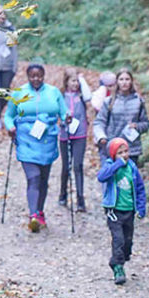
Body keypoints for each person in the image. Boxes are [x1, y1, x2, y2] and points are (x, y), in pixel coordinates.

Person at [2, 62, 66, 233]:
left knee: (44, 179)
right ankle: (33, 216)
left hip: (48, 139)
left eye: (39, 76)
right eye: (32, 76)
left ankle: (40, 211)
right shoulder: (19, 93)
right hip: (26, 138)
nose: (36, 79)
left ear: (43, 75)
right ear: (27, 76)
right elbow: (8, 115)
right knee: (34, 177)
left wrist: (68, 120)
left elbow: (64, 112)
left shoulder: (54, 92)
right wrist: (10, 127)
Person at [97, 138, 146, 284]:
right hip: (114, 211)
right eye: (120, 152)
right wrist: (117, 164)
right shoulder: (110, 165)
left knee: (127, 241)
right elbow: (101, 177)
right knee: (118, 240)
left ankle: (119, 259)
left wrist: (141, 208)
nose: (124, 155)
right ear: (113, 154)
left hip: (129, 210)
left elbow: (140, 188)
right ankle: (118, 268)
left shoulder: (132, 167)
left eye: (126, 151)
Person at [93, 68, 149, 165]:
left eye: (127, 79)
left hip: (132, 149)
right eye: (121, 79)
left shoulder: (138, 101)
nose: (124, 82)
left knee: (130, 179)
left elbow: (146, 124)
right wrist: (101, 137)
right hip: (112, 148)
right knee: (112, 179)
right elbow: (99, 122)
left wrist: (137, 126)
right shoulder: (109, 101)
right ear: (117, 82)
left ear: (131, 81)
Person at [58, 72, 94, 212]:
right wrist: (62, 120)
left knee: (78, 166)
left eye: (77, 82)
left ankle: (80, 199)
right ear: (66, 81)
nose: (75, 84)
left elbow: (89, 97)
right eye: (73, 81)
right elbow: (56, 112)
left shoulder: (81, 96)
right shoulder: (61, 96)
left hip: (80, 134)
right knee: (66, 167)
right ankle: (63, 194)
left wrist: (82, 79)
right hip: (65, 134)